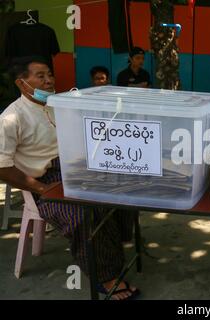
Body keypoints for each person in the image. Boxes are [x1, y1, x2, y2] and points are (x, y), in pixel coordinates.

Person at [0, 56, 140, 300]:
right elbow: (2, 167)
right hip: (44, 180)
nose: (48, 80)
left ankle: (116, 243)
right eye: (40, 76)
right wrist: (42, 188)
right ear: (22, 83)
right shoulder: (11, 118)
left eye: (49, 75)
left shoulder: (57, 104)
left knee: (128, 182)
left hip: (74, 167)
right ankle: (105, 277)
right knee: (83, 214)